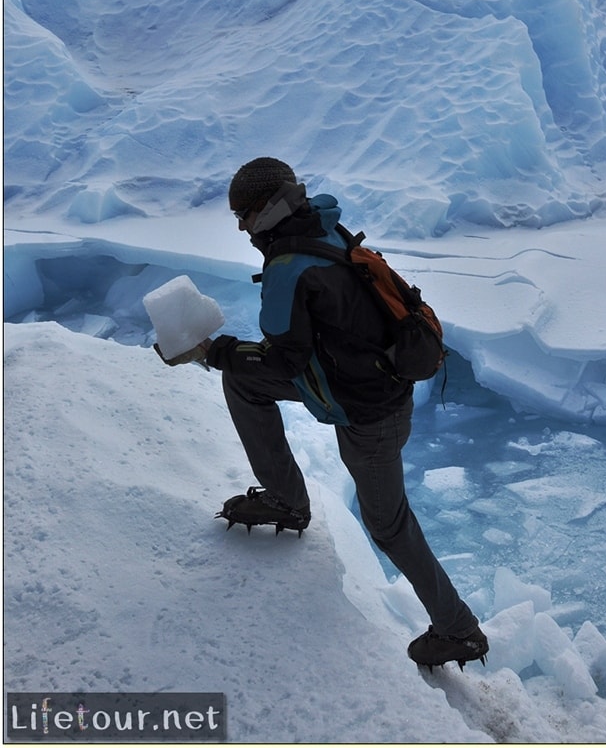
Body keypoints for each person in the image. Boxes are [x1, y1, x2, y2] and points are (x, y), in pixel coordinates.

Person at [157, 157, 489, 671]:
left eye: (243, 214)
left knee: (388, 525)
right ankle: (289, 503)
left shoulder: (290, 269)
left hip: (368, 412)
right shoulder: (323, 229)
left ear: (266, 209)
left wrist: (210, 351)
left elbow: (283, 358)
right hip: (359, 384)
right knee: (245, 384)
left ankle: (459, 630)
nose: (241, 227)